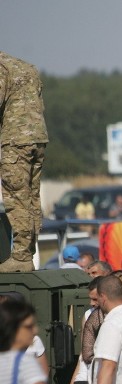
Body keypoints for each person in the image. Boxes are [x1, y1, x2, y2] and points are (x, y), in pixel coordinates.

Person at [0, 52, 48, 273]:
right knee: (30, 196)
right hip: (37, 138)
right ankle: (30, 251)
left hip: (15, 139)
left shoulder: (2, 68)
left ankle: (21, 257)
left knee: (17, 197)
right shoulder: (27, 67)